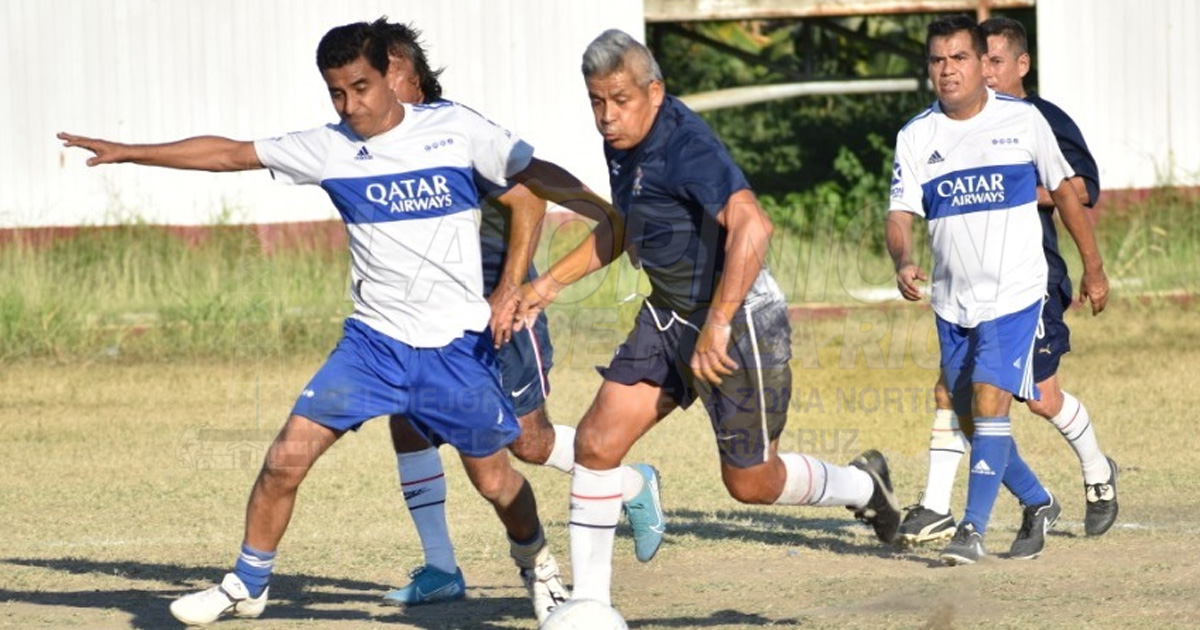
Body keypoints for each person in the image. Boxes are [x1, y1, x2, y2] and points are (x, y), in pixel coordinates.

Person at [59, 20, 577, 625]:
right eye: (337, 92)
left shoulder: (455, 130)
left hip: (454, 348)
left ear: (390, 75)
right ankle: (247, 584)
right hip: (372, 347)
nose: (350, 104)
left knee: (497, 482)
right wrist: (131, 152)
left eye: (361, 87)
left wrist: (511, 285)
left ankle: (539, 569)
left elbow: (529, 195)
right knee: (284, 459)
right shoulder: (328, 148)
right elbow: (228, 154)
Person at [513, 29, 902, 607]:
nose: (606, 116)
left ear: (655, 91)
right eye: (596, 101)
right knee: (596, 446)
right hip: (669, 316)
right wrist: (544, 286)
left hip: (739, 319)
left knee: (751, 482)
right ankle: (590, 608)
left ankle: (864, 485)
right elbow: (623, 225)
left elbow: (754, 227)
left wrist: (718, 323)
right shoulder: (622, 142)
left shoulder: (686, 146)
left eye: (619, 100)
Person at [370, 20, 664, 608]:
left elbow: (529, 182)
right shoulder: (372, 142)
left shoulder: (454, 131)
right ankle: (441, 567)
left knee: (526, 443)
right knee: (406, 422)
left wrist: (595, 217)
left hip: (501, 311)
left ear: (412, 75)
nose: (374, 92)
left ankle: (633, 484)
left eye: (385, 76)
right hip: (426, 320)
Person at [886, 15, 1108, 565]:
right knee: (963, 412)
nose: (948, 70)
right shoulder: (916, 135)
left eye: (960, 58)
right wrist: (904, 257)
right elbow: (899, 213)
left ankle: (971, 528)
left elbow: (1068, 192)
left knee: (994, 399)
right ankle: (1037, 502)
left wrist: (1094, 268)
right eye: (938, 60)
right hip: (952, 299)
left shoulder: (1025, 120)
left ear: (984, 65)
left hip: (1018, 291)